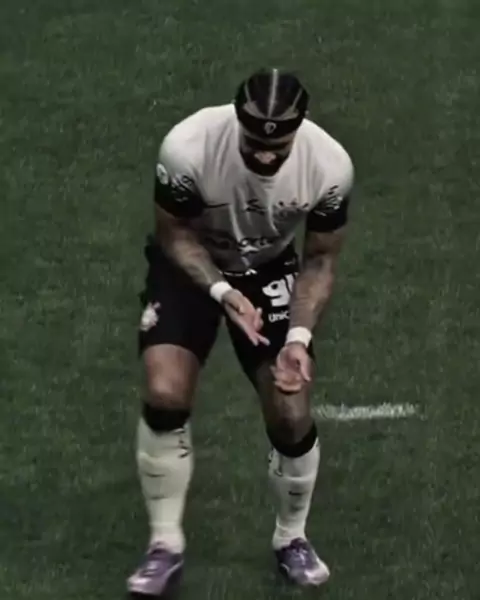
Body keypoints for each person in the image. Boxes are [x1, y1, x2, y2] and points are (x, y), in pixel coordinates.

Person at [127, 67, 354, 596]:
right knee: (164, 391)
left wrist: (297, 339)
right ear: (237, 122)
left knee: (291, 410)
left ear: (299, 129)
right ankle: (164, 545)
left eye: (279, 147)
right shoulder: (188, 147)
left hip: (269, 268)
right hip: (192, 265)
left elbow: (320, 260)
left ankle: (292, 538)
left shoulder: (329, 166)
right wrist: (221, 292)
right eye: (255, 144)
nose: (267, 157)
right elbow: (173, 234)